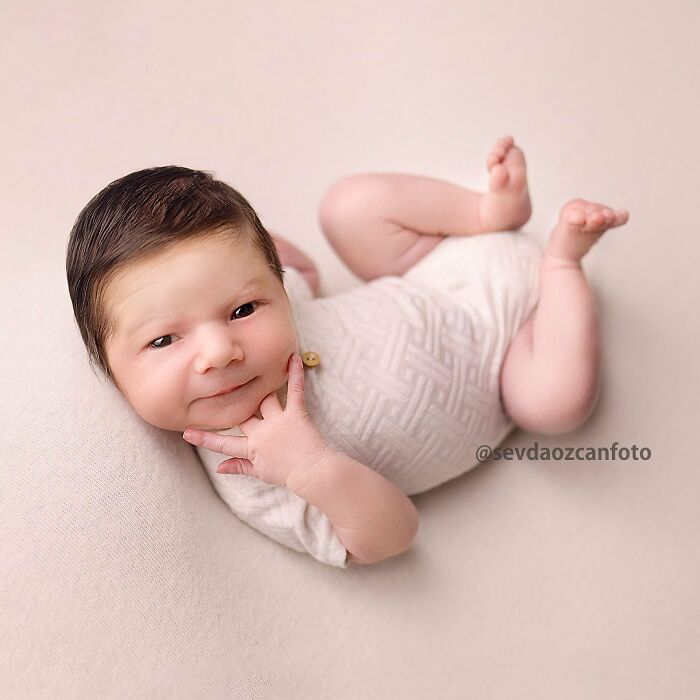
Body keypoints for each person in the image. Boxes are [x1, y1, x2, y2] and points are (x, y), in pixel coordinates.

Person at [65, 136, 629, 568]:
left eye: (242, 309)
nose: (220, 350)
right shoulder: (254, 478)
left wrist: (250, 253)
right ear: (107, 367)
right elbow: (393, 537)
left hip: (440, 269)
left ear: (273, 286)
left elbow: (301, 268)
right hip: (513, 358)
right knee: (556, 405)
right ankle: (564, 264)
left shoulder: (285, 303)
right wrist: (311, 468)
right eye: (164, 340)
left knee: (348, 206)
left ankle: (486, 212)